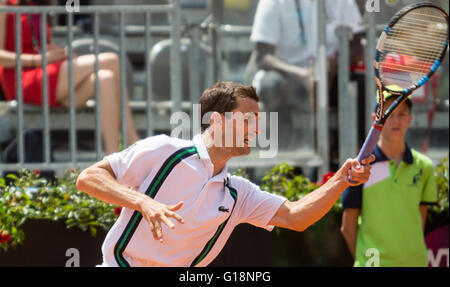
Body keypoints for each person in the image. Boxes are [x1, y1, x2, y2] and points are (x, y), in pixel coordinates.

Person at [76, 81, 374, 267]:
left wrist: (341, 180)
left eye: (258, 122)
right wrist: (143, 202)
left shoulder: (238, 193)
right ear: (216, 121)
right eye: (247, 120)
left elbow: (296, 217)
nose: (256, 130)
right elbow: (88, 178)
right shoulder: (163, 150)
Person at [0, 0, 140, 155]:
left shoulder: (36, 5)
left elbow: (38, 48)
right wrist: (39, 59)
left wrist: (57, 54)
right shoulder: (5, 3)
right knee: (111, 60)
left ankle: (112, 158)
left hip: (43, 73)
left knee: (105, 78)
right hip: (21, 78)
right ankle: (133, 142)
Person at [340, 86, 438, 267]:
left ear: (410, 119)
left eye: (402, 114)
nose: (395, 120)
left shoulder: (424, 166)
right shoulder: (360, 167)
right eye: (389, 114)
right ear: (375, 120)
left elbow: (420, 220)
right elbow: (348, 227)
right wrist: (366, 260)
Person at [245, 0, 363, 149]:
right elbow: (263, 56)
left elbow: (358, 48)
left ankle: (356, 158)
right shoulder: (273, 2)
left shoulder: (343, 2)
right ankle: (285, 157)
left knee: (362, 85)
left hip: (332, 76)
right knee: (272, 86)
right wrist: (302, 75)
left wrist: (331, 66)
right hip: (290, 76)